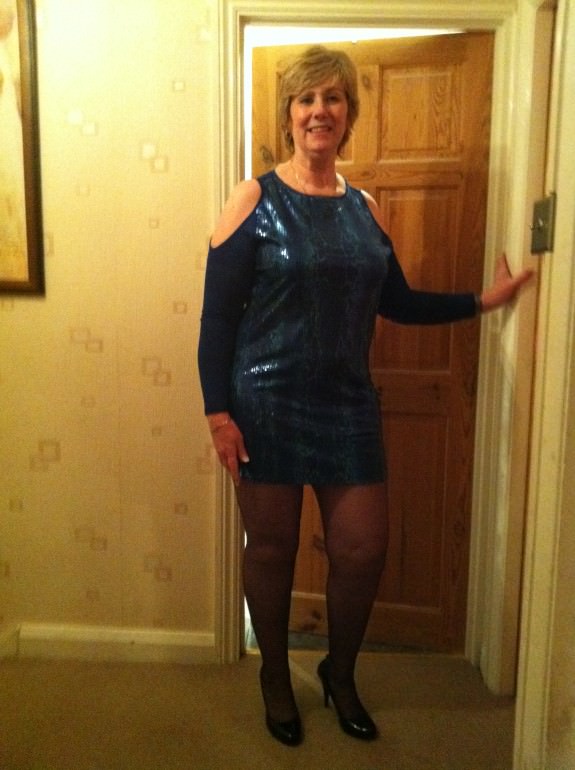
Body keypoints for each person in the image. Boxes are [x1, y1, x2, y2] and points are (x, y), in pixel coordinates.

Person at [197, 45, 532, 747]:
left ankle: (339, 672)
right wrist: (218, 414)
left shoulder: (366, 210)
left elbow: (397, 302)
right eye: (306, 99)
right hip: (264, 402)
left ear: (348, 114)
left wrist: (481, 300)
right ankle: (274, 676)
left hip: (347, 405)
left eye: (333, 98)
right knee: (272, 549)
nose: (319, 111)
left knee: (361, 549)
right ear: (289, 114)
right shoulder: (252, 197)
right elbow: (218, 318)